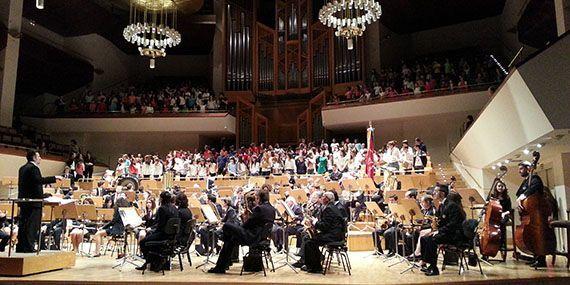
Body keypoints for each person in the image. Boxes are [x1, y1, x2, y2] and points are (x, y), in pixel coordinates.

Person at [207, 188, 276, 274]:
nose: (256, 200)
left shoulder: (259, 208)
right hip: (261, 237)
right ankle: (221, 266)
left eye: (256, 198)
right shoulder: (272, 209)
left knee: (227, 226)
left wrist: (243, 219)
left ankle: (221, 264)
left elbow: (247, 225)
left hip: (252, 237)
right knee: (230, 240)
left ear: (259, 198)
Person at [16, 151, 61, 253]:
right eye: (39, 156)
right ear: (34, 157)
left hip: (24, 201)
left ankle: (21, 246)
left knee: (23, 225)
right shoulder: (33, 168)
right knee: (32, 226)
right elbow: (38, 181)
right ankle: (29, 247)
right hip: (34, 203)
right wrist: (54, 178)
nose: (40, 158)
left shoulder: (22, 168)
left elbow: (29, 185)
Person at [293, 191, 346, 273]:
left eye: (323, 197)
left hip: (333, 236)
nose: (322, 198)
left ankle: (315, 267)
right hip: (335, 234)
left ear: (327, 199)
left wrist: (314, 222)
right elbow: (327, 225)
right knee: (309, 240)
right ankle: (315, 263)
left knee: (309, 242)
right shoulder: (332, 207)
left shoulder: (329, 209)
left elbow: (324, 226)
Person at [419, 184, 466, 276]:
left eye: (436, 191)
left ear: (442, 193)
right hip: (446, 232)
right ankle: (427, 264)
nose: (434, 193)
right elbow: (440, 221)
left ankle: (434, 267)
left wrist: (438, 231)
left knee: (431, 239)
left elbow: (453, 224)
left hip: (454, 234)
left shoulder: (452, 205)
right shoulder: (442, 205)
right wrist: (434, 228)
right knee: (424, 238)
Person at [136, 191, 179, 271]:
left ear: (161, 199)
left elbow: (160, 226)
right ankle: (153, 261)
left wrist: (151, 232)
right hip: (172, 236)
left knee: (143, 242)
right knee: (149, 237)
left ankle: (149, 262)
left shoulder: (162, 209)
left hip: (162, 235)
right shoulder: (174, 208)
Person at [515, 161, 547, 268]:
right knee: (532, 236)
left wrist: (524, 195)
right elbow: (518, 192)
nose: (519, 171)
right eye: (519, 169)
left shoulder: (535, 178)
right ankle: (535, 256)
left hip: (537, 213)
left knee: (539, 234)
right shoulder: (527, 181)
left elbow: (535, 187)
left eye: (521, 169)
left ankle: (541, 258)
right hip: (530, 214)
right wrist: (521, 196)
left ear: (528, 168)